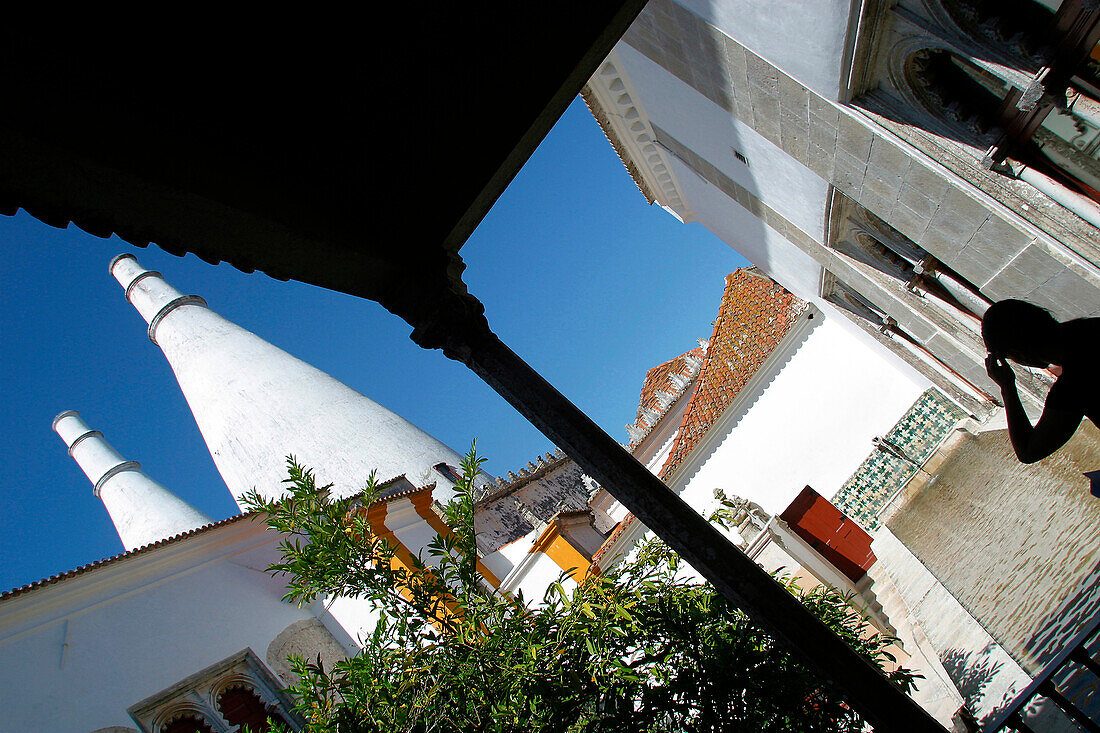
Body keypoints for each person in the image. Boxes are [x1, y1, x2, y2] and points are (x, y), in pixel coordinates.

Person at [982, 300, 1099, 474]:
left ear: (1017, 353)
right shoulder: (1091, 328)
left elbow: (1028, 451)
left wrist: (1007, 388)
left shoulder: (1072, 387)